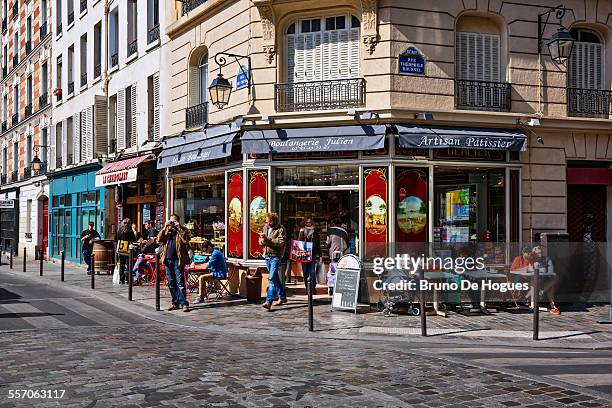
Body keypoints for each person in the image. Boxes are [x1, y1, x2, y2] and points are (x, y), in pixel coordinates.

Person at [157, 214, 191, 312]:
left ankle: (184, 303)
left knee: (180, 282)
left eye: (174, 221)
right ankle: (175, 302)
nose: (172, 223)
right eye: (171, 221)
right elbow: (158, 240)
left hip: (178, 260)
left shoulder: (183, 230)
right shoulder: (167, 231)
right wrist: (164, 228)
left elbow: (186, 239)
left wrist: (178, 227)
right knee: (171, 283)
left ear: (178, 221)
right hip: (168, 260)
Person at [259, 212, 287, 311]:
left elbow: (281, 242)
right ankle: (282, 297)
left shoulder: (280, 229)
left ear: (273, 220)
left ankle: (269, 301)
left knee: (271, 278)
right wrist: (262, 241)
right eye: (266, 220)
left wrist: (267, 239)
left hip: (275, 256)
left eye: (268, 220)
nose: (266, 222)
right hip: (267, 255)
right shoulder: (265, 228)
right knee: (274, 277)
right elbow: (261, 241)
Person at [532, 245, 560, 315]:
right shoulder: (531, 260)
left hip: (545, 279)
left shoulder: (547, 259)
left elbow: (551, 271)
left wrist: (543, 272)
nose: (540, 254)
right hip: (536, 280)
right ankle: (553, 306)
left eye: (540, 253)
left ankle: (542, 292)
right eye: (537, 253)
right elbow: (530, 271)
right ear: (534, 254)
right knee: (550, 286)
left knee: (554, 278)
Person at [297, 217, 321, 294]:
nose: (308, 223)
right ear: (304, 223)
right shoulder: (302, 230)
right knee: (305, 271)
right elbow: (299, 242)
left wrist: (320, 254)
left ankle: (313, 288)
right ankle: (307, 288)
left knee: (312, 271)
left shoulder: (315, 231)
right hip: (304, 253)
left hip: (313, 253)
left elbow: (318, 243)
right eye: (307, 222)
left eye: (310, 222)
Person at [115, 218, 137, 284]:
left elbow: (116, 239)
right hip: (128, 249)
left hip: (121, 249)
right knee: (129, 264)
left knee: (122, 264)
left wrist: (116, 248)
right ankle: (128, 278)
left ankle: (122, 279)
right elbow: (133, 239)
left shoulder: (119, 230)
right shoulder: (130, 230)